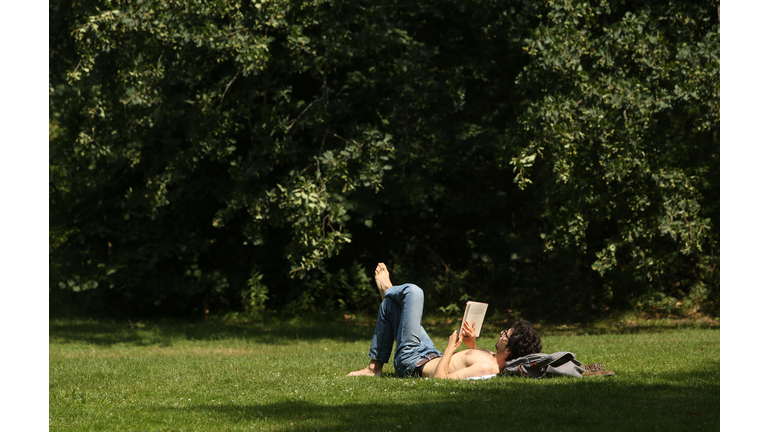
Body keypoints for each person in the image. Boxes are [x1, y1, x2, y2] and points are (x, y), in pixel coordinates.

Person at [347, 263, 543, 379]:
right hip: (429, 351)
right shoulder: (494, 357)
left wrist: (450, 348)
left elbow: (441, 380)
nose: (501, 332)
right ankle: (374, 368)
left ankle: (387, 289)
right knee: (391, 307)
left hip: (412, 362)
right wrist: (470, 343)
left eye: (505, 334)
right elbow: (468, 359)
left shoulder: (487, 368)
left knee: (414, 292)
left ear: (508, 350)